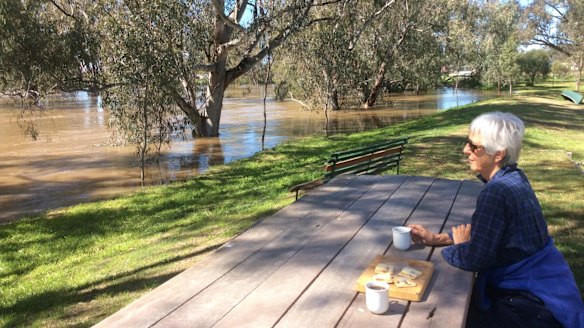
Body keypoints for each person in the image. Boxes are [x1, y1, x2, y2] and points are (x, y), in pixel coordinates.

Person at [408, 112, 584, 328]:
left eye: (474, 146)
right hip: (548, 286)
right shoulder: (515, 177)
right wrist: (437, 238)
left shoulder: (496, 192)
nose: (465, 150)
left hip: (529, 305)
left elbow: (475, 259)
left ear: (498, 154)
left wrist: (462, 247)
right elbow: (492, 231)